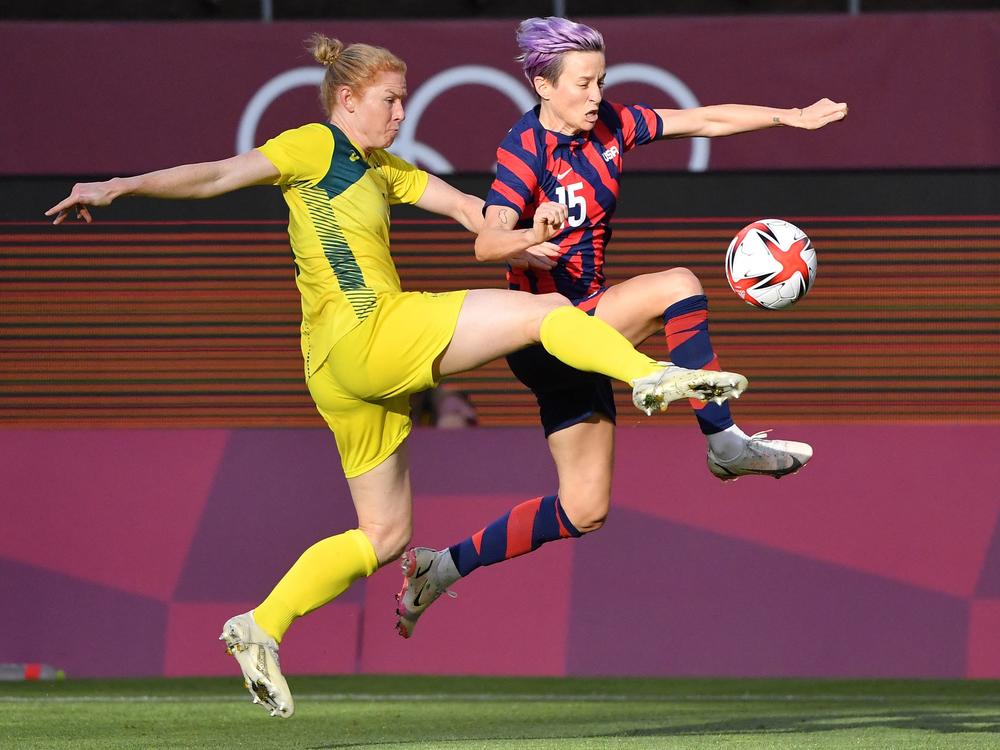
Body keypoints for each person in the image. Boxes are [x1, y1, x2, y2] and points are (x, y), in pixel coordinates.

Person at [46, 34, 749, 717]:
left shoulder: (383, 168)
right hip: (372, 333)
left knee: (384, 537)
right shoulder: (315, 145)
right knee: (545, 314)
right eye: (391, 99)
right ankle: (651, 375)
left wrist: (528, 228)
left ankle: (262, 625)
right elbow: (218, 175)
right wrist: (119, 187)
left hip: (336, 373)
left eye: (406, 98)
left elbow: (470, 211)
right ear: (347, 98)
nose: (403, 113)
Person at [394, 16, 848, 639]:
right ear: (542, 84)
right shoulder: (524, 148)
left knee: (585, 510)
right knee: (680, 286)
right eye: (582, 83)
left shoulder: (613, 126)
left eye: (601, 80)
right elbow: (486, 243)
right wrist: (532, 235)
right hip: (544, 333)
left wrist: (787, 116)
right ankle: (724, 443)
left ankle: (441, 569)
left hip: (589, 325)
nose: (595, 95)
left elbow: (706, 119)